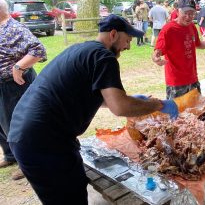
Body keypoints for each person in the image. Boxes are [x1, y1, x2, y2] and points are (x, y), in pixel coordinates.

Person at [7, 14, 178, 204]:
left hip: (30, 132)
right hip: (42, 139)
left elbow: (102, 99)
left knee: (74, 187)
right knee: (69, 198)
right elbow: (119, 107)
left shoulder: (83, 49)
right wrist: (159, 105)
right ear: (113, 34)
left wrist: (133, 99)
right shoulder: (104, 57)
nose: (128, 46)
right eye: (127, 40)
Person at [0, 0, 47, 180]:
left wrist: (18, 67)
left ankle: (28, 163)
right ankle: (11, 156)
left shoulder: (13, 28)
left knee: (17, 126)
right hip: (3, 85)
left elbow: (38, 50)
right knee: (2, 125)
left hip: (14, 86)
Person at [152, 0, 205, 99]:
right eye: (185, 13)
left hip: (193, 78)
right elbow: (157, 51)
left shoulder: (191, 27)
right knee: (178, 113)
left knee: (197, 111)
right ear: (177, 11)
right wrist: (156, 59)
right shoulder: (168, 29)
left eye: (192, 13)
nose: (188, 17)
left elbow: (198, 44)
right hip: (176, 81)